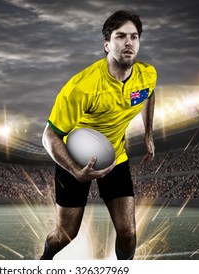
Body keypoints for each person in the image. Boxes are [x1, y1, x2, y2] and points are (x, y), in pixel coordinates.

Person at [40, 10, 157, 260]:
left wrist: (148, 134)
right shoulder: (81, 87)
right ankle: (44, 261)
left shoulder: (147, 75)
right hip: (73, 157)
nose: (129, 42)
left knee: (128, 233)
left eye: (134, 37)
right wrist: (74, 169)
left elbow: (149, 93)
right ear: (107, 44)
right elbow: (49, 136)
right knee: (65, 234)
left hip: (115, 156)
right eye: (120, 36)